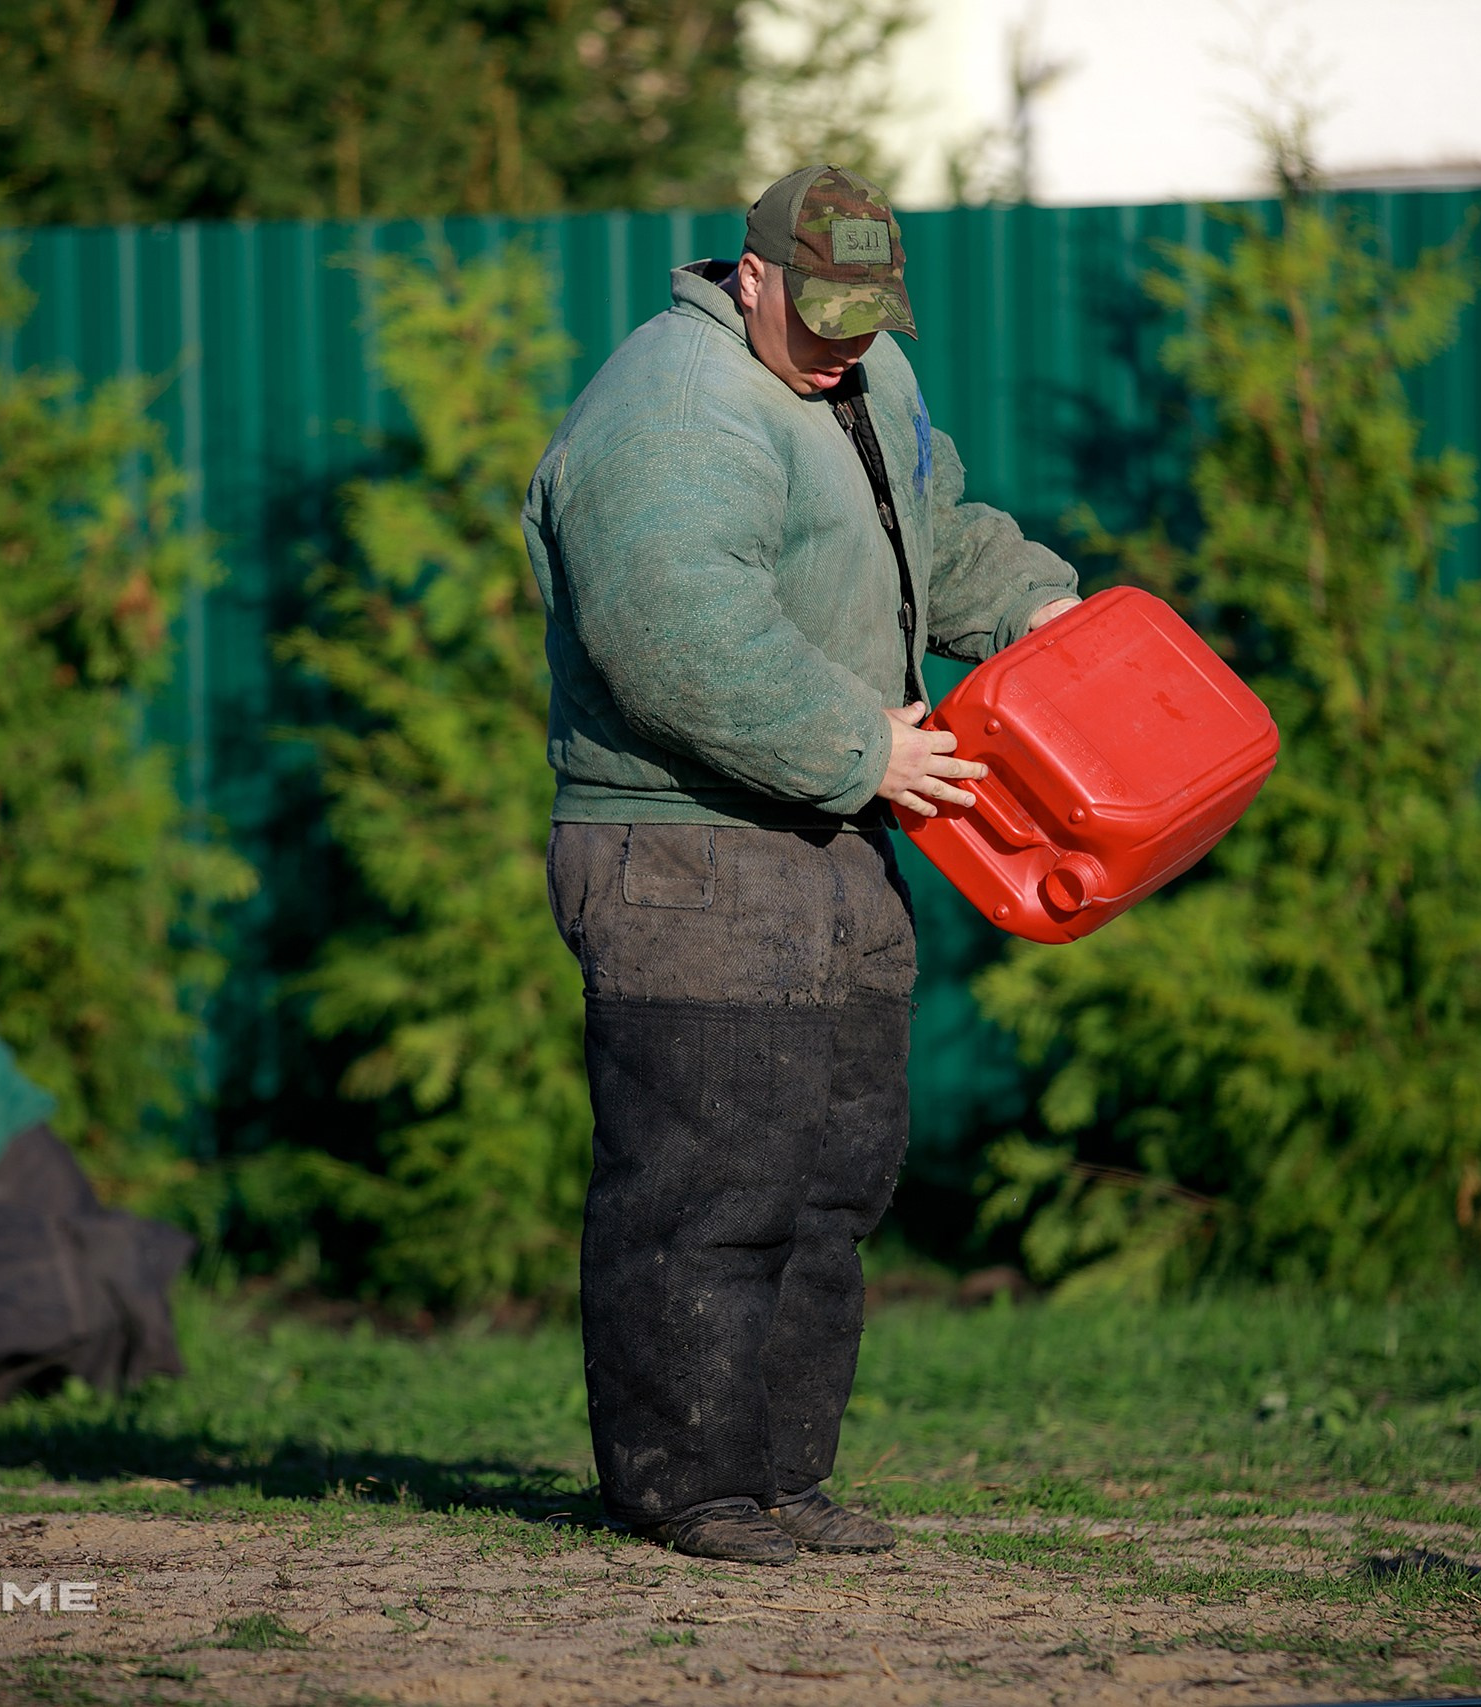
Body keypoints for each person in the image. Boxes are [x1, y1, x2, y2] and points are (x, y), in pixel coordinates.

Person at [523, 164, 1081, 1565]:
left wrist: (1041, 610)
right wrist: (859, 744)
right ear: (751, 274)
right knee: (706, 1182)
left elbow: (925, 541)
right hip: (690, 847)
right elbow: (672, 631)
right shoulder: (673, 408)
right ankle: (685, 1490)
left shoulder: (866, 376)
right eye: (818, 312)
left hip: (838, 825)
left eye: (867, 313)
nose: (843, 341)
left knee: (831, 1179)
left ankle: (782, 1477)